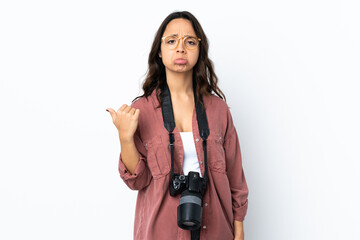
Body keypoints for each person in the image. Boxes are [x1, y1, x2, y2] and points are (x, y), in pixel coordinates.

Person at [106, 11, 249, 240]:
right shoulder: (141, 110)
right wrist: (125, 137)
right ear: (159, 52)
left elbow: (235, 178)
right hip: (159, 232)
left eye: (190, 42)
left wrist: (239, 230)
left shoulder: (218, 110)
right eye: (171, 41)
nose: (181, 48)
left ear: (199, 51)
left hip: (215, 231)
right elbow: (137, 181)